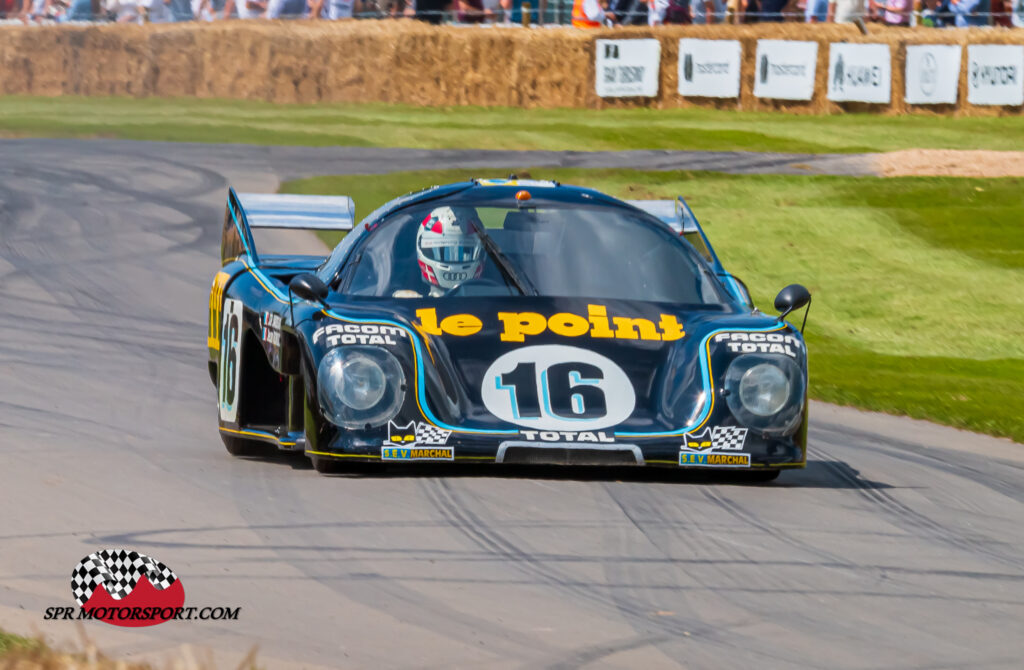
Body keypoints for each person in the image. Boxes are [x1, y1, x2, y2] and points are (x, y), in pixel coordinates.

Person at [404, 206, 485, 298]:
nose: (454, 263)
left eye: (464, 253)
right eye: (444, 252)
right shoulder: (405, 303)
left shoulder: (497, 298)